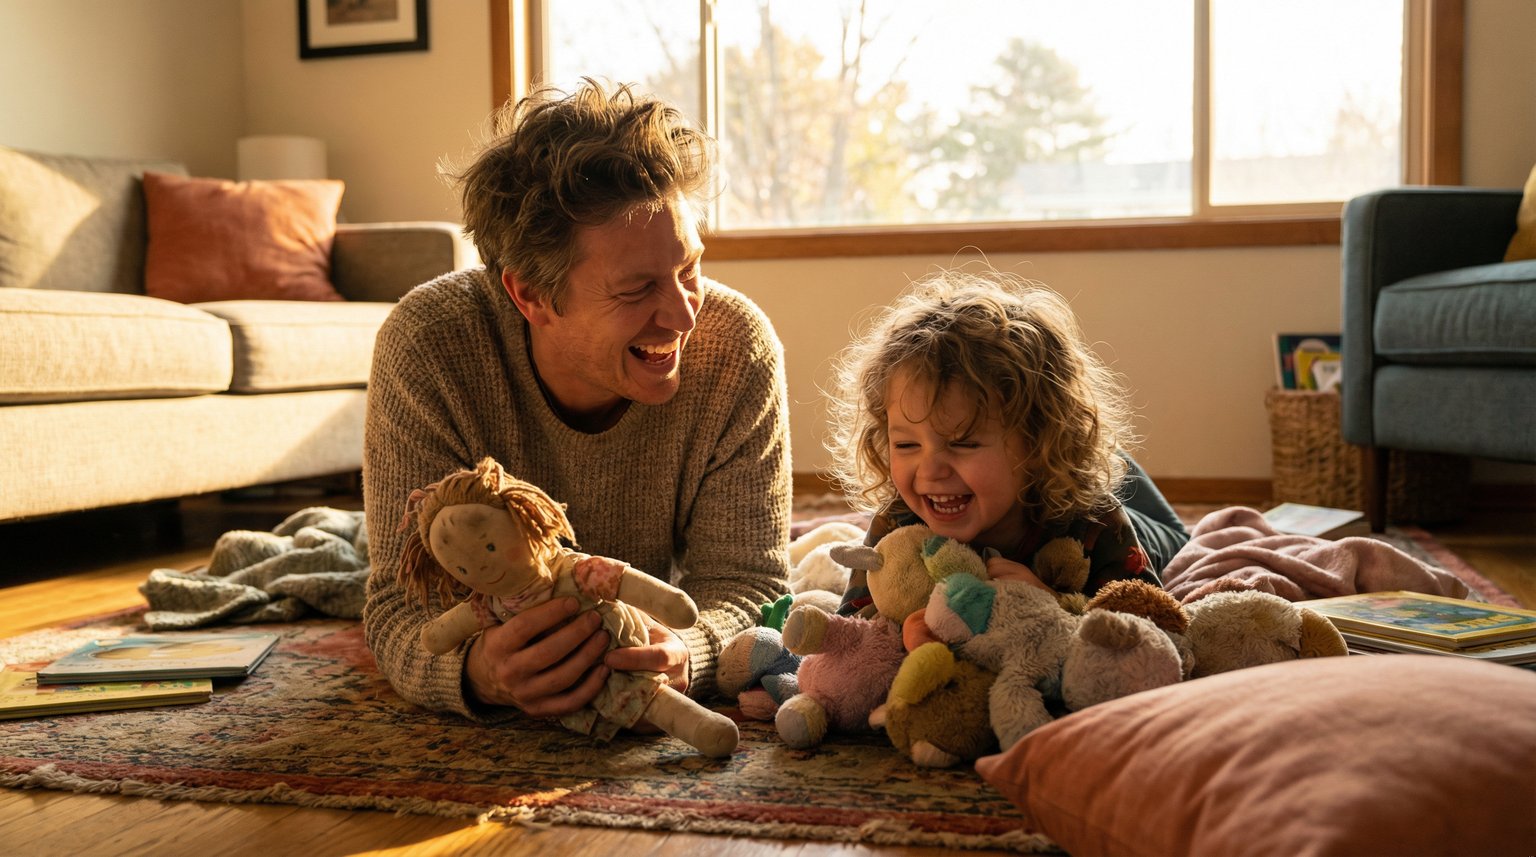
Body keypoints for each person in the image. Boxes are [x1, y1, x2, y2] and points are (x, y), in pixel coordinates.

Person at [361, 79, 792, 725]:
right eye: (638, 287)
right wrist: (480, 670)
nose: (682, 313)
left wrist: (688, 651)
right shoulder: (430, 344)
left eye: (689, 269)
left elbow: (749, 580)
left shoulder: (737, 348)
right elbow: (401, 601)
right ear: (531, 294)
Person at [823, 269, 1189, 613]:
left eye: (963, 443)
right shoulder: (898, 523)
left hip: (1130, 517)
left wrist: (1050, 606)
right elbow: (853, 634)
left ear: (1037, 442)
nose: (930, 470)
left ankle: (1107, 460)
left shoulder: (1095, 519)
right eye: (906, 446)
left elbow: (1147, 632)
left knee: (1159, 520)